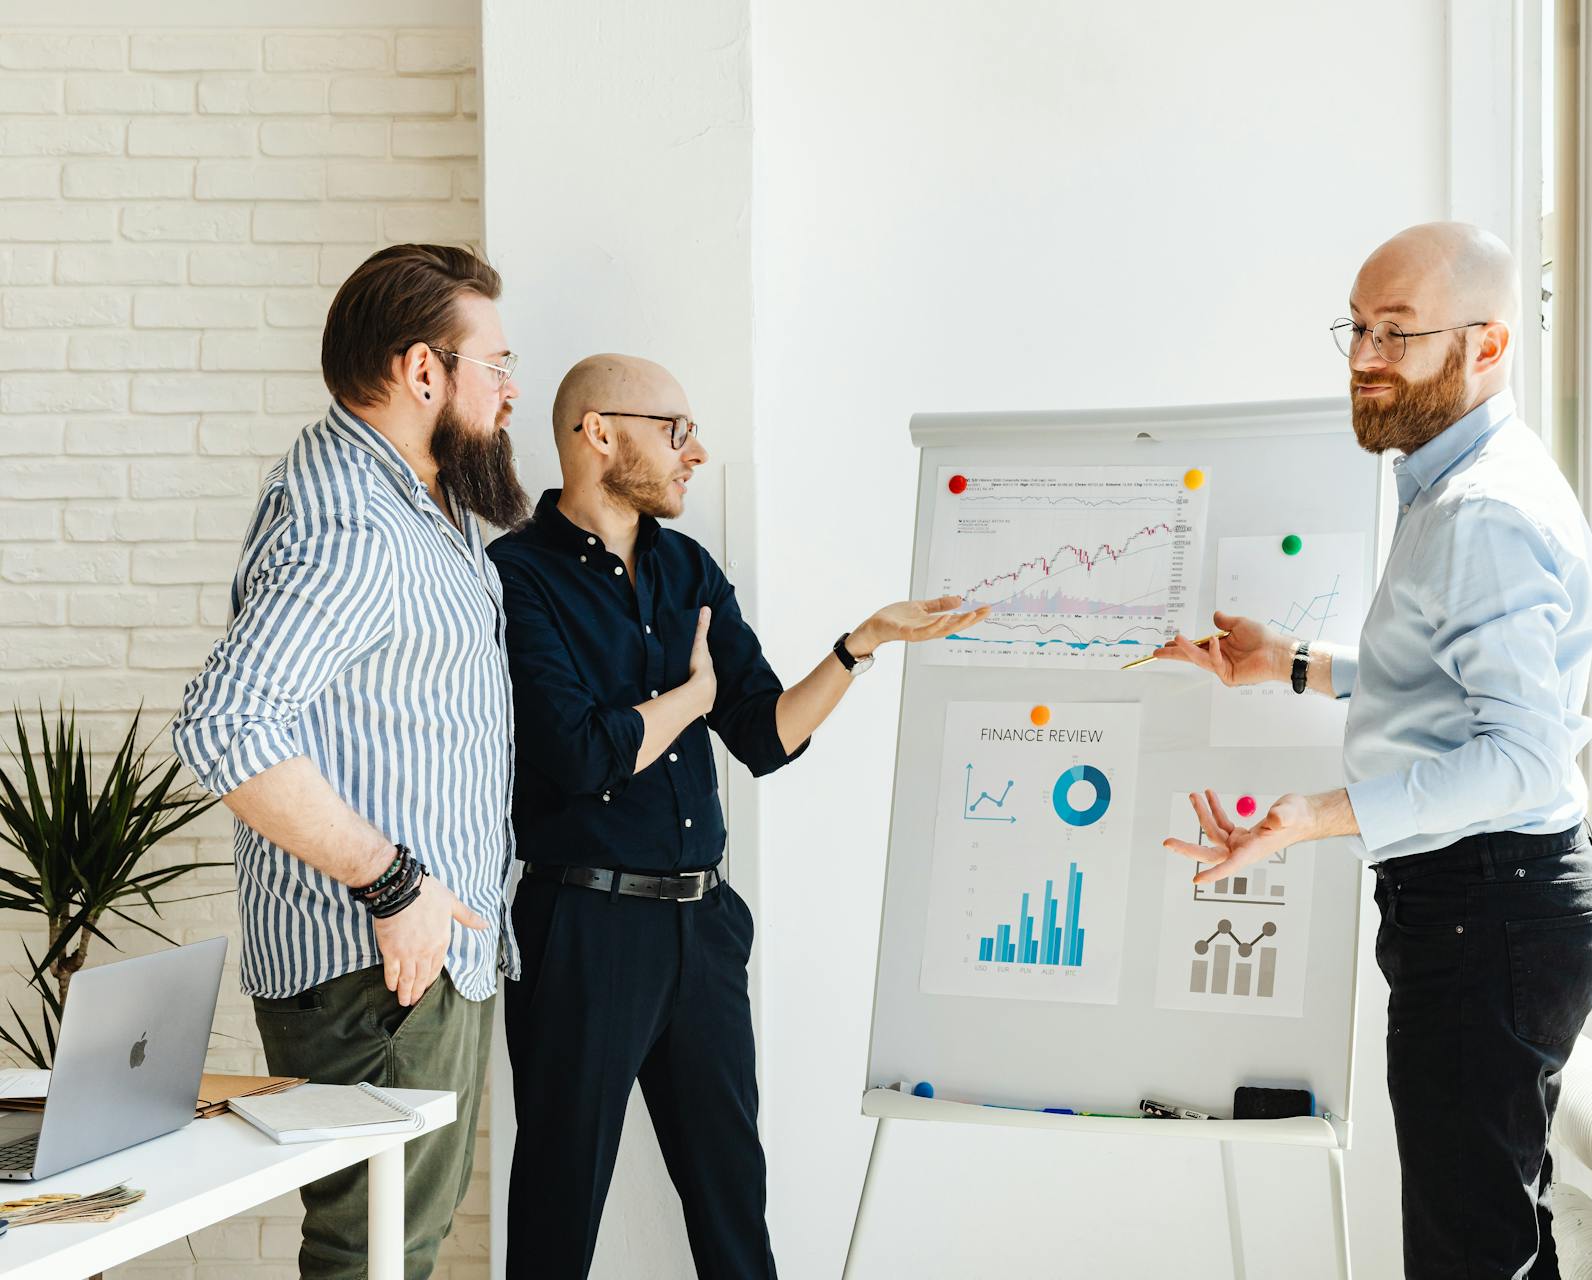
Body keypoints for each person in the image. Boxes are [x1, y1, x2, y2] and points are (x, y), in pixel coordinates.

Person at [1158, 222, 1592, 1279]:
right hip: (1485, 908)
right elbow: (1443, 677)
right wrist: (1295, 663)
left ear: (1485, 346)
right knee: (1493, 1240)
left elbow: (1523, 761)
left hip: (1488, 912)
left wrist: (1317, 814)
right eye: (1356, 328)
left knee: (1469, 1255)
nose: (1365, 356)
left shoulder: (1482, 513)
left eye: (1396, 332)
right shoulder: (1449, 486)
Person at [489, 353, 986, 1278]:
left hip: (703, 930)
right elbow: (582, 754)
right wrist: (690, 696)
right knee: (558, 1219)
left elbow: (761, 735)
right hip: (585, 928)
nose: (698, 452)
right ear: (600, 432)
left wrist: (859, 646)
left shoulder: (687, 570)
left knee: (735, 1215)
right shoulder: (517, 577)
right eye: (676, 431)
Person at [173, 244, 528, 1280]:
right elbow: (226, 723)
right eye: (495, 363)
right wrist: (396, 879)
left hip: (415, 964)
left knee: (392, 1248)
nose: (510, 390)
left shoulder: (418, 499)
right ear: (425, 372)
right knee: (373, 1254)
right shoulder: (353, 521)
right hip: (378, 969)